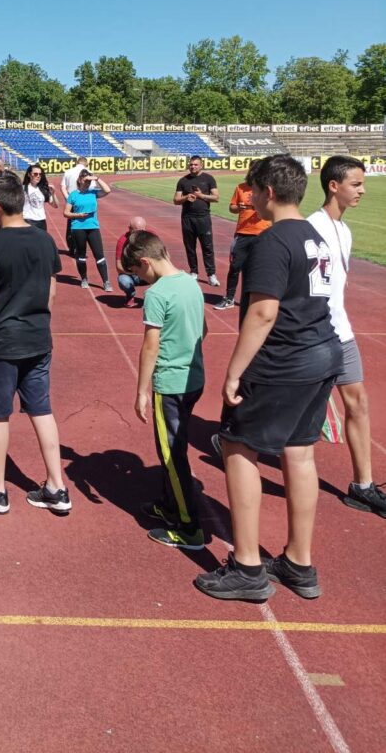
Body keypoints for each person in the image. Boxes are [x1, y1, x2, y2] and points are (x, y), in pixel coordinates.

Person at [195, 155, 342, 603]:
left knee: (239, 447)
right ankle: (298, 562)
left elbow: (262, 313)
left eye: (254, 191)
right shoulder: (316, 236)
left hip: (284, 358)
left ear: (269, 192)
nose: (250, 198)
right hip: (321, 352)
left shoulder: (272, 241)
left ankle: (246, 566)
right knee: (299, 452)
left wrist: (234, 372)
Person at [0, 171, 70, 514]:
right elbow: (51, 292)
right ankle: (57, 486)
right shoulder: (45, 240)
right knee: (42, 410)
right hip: (37, 338)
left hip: (1, 343)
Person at [308, 156, 385, 518]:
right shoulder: (312, 229)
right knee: (291, 408)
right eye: (356, 184)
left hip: (342, 332)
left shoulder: (345, 230)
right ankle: (236, 436)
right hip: (314, 335)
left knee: (358, 403)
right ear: (333, 186)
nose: (362, 191)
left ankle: (362, 486)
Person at [122, 230, 207, 549]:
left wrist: (141, 391)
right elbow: (203, 330)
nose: (139, 280)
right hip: (194, 378)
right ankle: (170, 504)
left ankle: (189, 528)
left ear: (145, 262)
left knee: (172, 454)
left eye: (137, 273)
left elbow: (150, 345)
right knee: (176, 445)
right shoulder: (191, 283)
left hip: (171, 383)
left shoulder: (157, 294)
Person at [214, 164, 271, 310]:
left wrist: (258, 207)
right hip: (242, 233)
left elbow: (273, 208)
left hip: (262, 233)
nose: (254, 173)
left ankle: (258, 300)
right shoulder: (241, 187)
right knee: (234, 267)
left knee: (260, 268)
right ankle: (229, 298)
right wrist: (241, 207)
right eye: (252, 170)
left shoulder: (268, 189)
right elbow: (232, 207)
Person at [174, 156, 220, 287]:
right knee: (190, 247)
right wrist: (186, 197)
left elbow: (216, 197)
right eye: (191, 164)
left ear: (201, 165)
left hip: (203, 217)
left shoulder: (209, 179)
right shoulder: (183, 181)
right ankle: (194, 272)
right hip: (187, 218)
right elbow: (176, 200)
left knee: (207, 247)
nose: (192, 167)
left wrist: (201, 196)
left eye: (195, 164)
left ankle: (211, 275)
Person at [64, 167, 112, 290]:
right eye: (85, 181)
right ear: (79, 180)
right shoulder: (73, 195)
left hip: (93, 227)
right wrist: (78, 215)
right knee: (81, 255)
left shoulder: (93, 193)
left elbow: (107, 190)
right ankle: (84, 279)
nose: (87, 183)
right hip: (78, 228)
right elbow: (66, 213)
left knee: (99, 255)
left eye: (89, 181)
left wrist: (97, 178)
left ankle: (106, 282)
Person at [115, 215, 147, 306]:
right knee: (123, 280)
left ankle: (153, 295)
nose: (139, 234)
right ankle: (130, 294)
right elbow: (119, 266)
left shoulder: (151, 237)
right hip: (131, 274)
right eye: (136, 231)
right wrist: (134, 272)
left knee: (163, 276)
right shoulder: (123, 241)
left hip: (147, 272)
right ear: (129, 229)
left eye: (142, 231)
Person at [60, 156, 88, 257]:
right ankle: (81, 248)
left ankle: (72, 248)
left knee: (71, 225)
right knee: (85, 224)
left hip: (72, 201)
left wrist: (68, 199)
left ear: (77, 162)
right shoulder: (88, 172)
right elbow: (92, 188)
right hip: (84, 202)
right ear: (86, 163)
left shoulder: (68, 172)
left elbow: (62, 187)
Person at [22, 163, 58, 229]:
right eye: (35, 174)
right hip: (28, 221)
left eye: (40, 174)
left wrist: (53, 193)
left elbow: (55, 206)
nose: (38, 176)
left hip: (41, 222)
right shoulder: (23, 188)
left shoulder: (43, 189)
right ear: (29, 175)